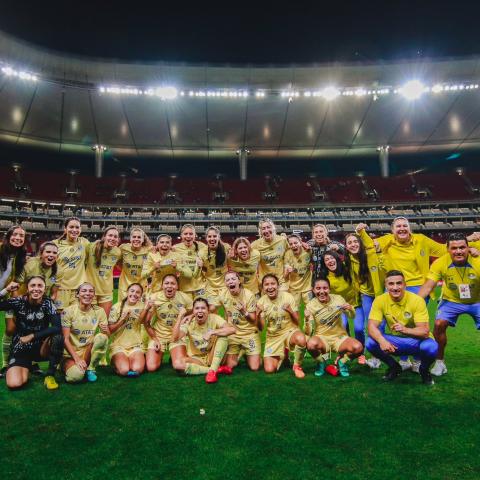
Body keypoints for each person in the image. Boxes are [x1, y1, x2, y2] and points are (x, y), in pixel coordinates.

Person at [357, 217, 446, 372]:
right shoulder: (388, 240)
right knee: (386, 324)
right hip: (394, 285)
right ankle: (391, 359)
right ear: (393, 230)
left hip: (418, 288)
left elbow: (443, 249)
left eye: (405, 225)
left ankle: (417, 360)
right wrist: (361, 231)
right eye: (398, 226)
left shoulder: (421, 240)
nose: (402, 228)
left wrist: (471, 243)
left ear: (409, 228)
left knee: (413, 325)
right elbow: (371, 244)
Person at [418, 233, 480, 376]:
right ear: (447, 249)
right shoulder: (440, 263)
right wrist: (412, 304)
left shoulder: (477, 261)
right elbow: (428, 287)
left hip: (477, 301)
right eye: (454, 248)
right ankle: (440, 363)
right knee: (439, 324)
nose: (458, 251)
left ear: (468, 248)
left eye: (462, 247)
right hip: (451, 301)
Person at [366, 270, 438, 385]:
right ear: (386, 286)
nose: (395, 287)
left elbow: (424, 332)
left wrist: (405, 329)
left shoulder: (417, 300)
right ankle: (394, 367)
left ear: (405, 285)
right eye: (391, 284)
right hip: (395, 343)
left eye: (399, 283)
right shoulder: (380, 300)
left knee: (431, 347)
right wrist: (382, 341)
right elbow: (371, 327)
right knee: (370, 342)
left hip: (417, 342)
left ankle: (424, 371)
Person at [0, 276, 63, 390]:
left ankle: (50, 375)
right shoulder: (19, 301)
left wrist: (33, 336)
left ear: (44, 288)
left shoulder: (47, 303)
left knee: (58, 337)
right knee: (14, 384)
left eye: (40, 286)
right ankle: (27, 366)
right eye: (32, 285)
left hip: (40, 349)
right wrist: (6, 290)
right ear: (27, 288)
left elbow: (57, 327)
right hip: (21, 349)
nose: (36, 289)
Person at [304, 278, 363, 377]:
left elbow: (351, 316)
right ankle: (321, 362)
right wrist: (306, 319)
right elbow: (308, 332)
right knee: (311, 345)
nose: (322, 291)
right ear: (313, 290)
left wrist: (350, 309)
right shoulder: (310, 305)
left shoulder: (338, 299)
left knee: (358, 347)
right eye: (318, 288)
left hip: (339, 338)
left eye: (325, 288)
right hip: (322, 338)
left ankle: (342, 362)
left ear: (329, 289)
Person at [345, 230, 385, 368]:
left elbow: (371, 248)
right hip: (365, 295)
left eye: (355, 241)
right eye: (349, 242)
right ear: (346, 246)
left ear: (361, 243)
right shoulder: (348, 260)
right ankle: (375, 357)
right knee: (372, 325)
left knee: (382, 325)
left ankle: (382, 353)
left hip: (380, 293)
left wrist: (363, 233)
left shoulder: (370, 254)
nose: (353, 244)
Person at [172, 297, 235, 383]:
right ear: (193, 311)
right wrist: (180, 317)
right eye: (197, 308)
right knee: (177, 364)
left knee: (223, 336)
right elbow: (174, 338)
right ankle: (215, 369)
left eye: (203, 308)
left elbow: (232, 329)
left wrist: (212, 332)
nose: (200, 311)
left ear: (208, 310)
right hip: (197, 359)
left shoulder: (214, 318)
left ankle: (212, 371)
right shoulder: (189, 322)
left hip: (212, 355)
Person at [257, 274, 307, 377]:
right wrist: (258, 314)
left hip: (289, 332)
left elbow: (298, 322)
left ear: (278, 285)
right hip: (273, 337)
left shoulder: (288, 297)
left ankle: (296, 366)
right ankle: (283, 355)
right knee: (269, 370)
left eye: (273, 284)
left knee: (301, 339)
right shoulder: (261, 302)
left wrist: (290, 311)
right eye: (266, 285)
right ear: (263, 288)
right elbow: (261, 328)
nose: (270, 287)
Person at [321, 250, 366, 362]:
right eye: (326, 260)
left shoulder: (347, 268)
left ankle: (361, 353)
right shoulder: (325, 277)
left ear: (337, 259)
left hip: (355, 304)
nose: (330, 261)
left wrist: (340, 248)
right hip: (339, 308)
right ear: (324, 263)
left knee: (359, 329)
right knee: (343, 328)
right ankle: (344, 352)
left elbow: (351, 253)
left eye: (331, 258)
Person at [143, 274, 193, 372]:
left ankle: (173, 356)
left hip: (176, 336)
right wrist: (154, 338)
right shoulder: (154, 298)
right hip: (159, 336)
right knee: (151, 367)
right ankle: (159, 357)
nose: (169, 286)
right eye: (166, 283)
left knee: (179, 364)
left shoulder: (185, 298)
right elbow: (146, 322)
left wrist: (188, 317)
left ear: (177, 286)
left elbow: (193, 311)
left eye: (172, 284)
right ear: (162, 286)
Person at [61, 282, 109, 383]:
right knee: (76, 377)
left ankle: (91, 368)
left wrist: (105, 331)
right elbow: (65, 339)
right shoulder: (68, 311)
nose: (88, 293)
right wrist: (77, 359)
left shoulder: (100, 311)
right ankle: (69, 367)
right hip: (70, 354)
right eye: (84, 291)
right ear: (77, 294)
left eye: (91, 291)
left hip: (88, 351)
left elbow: (107, 336)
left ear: (94, 295)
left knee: (102, 337)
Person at [0, 225, 27, 377]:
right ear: (8, 236)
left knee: (11, 329)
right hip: (3, 294)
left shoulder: (19, 256)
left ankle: (5, 363)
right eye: (15, 234)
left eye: (21, 236)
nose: (18, 238)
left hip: (4, 295)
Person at [219, 271, 261, 371]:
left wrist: (244, 311)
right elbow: (226, 312)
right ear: (225, 284)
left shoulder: (249, 295)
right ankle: (242, 350)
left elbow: (253, 319)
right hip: (234, 333)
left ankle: (248, 352)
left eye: (233, 279)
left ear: (239, 281)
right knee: (229, 365)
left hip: (249, 333)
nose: (230, 282)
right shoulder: (223, 294)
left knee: (255, 367)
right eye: (227, 280)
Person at [108, 283, 146, 377]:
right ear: (127, 292)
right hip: (119, 346)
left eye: (138, 292)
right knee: (124, 370)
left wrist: (148, 308)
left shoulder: (142, 306)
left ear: (141, 295)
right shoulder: (116, 307)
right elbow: (110, 330)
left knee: (137, 369)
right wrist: (122, 320)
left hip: (136, 345)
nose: (134, 294)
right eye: (132, 291)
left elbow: (145, 322)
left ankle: (134, 358)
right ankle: (116, 361)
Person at [53, 217, 90, 311]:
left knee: (75, 321)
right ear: (65, 229)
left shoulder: (84, 243)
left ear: (80, 229)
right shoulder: (55, 244)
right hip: (60, 290)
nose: (74, 230)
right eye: (71, 227)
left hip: (78, 290)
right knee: (60, 322)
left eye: (77, 227)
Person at [85, 226, 121, 316]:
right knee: (88, 323)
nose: (112, 238)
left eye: (115, 236)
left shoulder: (118, 252)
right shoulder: (91, 247)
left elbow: (122, 266)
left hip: (106, 292)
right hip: (89, 291)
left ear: (118, 239)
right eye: (110, 235)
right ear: (104, 236)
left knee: (104, 323)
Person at [251, 219, 289, 290]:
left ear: (273, 228)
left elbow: (290, 252)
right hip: (265, 282)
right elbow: (244, 250)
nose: (266, 230)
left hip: (281, 281)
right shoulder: (255, 244)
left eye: (268, 227)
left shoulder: (282, 240)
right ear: (260, 231)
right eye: (263, 228)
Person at [200, 226, 230, 311]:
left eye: (214, 236)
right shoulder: (202, 253)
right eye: (209, 236)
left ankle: (229, 324)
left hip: (225, 286)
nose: (212, 238)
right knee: (211, 310)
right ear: (206, 238)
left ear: (218, 237)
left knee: (228, 309)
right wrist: (201, 266)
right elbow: (204, 270)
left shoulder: (226, 248)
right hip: (210, 287)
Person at [174, 224, 207, 299]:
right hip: (184, 287)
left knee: (201, 309)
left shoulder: (202, 246)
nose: (188, 236)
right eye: (185, 234)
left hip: (200, 286)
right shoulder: (175, 248)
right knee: (188, 310)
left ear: (195, 235)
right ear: (181, 235)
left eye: (191, 234)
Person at [118, 227, 152, 301]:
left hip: (142, 286)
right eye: (134, 237)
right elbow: (117, 262)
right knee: (123, 309)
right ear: (130, 239)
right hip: (125, 286)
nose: (136, 239)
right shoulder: (123, 248)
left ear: (143, 240)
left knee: (140, 310)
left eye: (139, 237)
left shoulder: (149, 250)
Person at [284, 234, 312, 308]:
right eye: (291, 244)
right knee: (294, 310)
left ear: (300, 243)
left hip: (308, 288)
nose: (293, 245)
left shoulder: (308, 251)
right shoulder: (287, 254)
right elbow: (285, 276)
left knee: (311, 309)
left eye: (295, 243)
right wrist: (287, 271)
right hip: (294, 289)